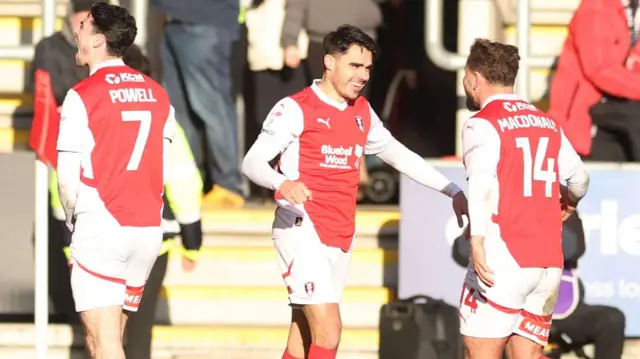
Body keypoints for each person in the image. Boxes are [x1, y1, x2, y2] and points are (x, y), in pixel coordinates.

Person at [242, 24, 469, 359]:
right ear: (329, 62)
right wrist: (283, 183)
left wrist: (452, 190)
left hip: (340, 234)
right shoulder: (295, 108)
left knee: (303, 337)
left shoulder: (361, 111)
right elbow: (252, 162)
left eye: (367, 68)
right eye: (354, 66)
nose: (362, 75)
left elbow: (399, 155)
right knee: (330, 330)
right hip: (302, 229)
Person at [55, 2, 175, 358]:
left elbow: (66, 179)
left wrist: (74, 218)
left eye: (84, 27)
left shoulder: (82, 96)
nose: (77, 31)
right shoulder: (158, 94)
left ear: (98, 41)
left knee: (103, 344)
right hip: (147, 227)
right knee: (111, 341)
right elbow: (162, 163)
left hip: (103, 222)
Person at [458, 38, 590, 359]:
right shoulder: (546, 123)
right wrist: (570, 203)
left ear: (475, 78)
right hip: (547, 264)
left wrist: (476, 240)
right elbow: (580, 179)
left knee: (481, 353)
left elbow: (481, 182)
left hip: (503, 259)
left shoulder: (481, 124)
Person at [151, 0, 245, 208]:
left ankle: (228, 185)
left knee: (212, 106)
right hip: (174, 21)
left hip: (205, 21)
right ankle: (191, 182)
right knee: (179, 112)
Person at [548, 0, 640, 161]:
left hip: (616, 109)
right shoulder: (597, 7)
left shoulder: (629, 9)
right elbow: (600, 70)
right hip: (588, 115)